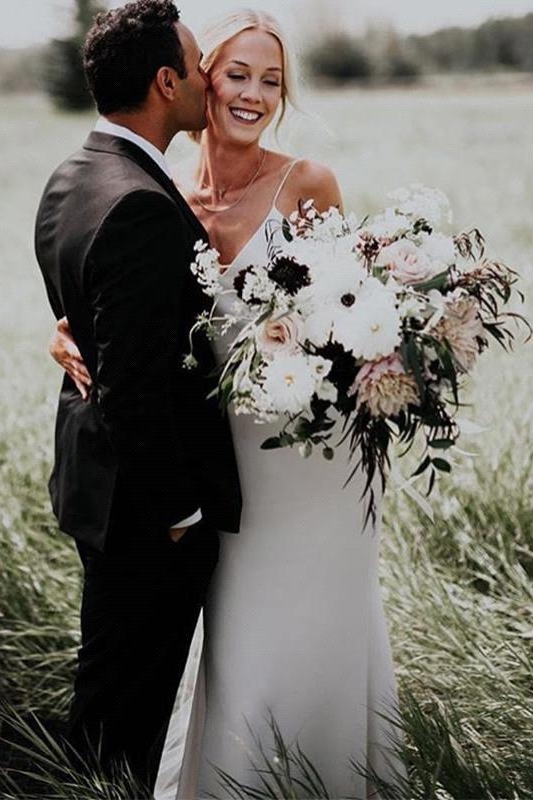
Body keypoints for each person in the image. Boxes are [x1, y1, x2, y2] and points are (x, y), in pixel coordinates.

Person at [50, 8, 405, 799]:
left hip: (301, 459)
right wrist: (64, 332)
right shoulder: (161, 191)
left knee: (306, 615)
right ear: (197, 80)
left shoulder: (306, 183)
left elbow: (355, 318)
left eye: (270, 81)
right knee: (230, 633)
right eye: (237, 74)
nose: (252, 93)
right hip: (204, 461)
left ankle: (331, 773)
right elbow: (127, 305)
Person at [34, 0, 241, 791]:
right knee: (127, 718)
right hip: (146, 519)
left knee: (106, 688)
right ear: (165, 82)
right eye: (196, 69)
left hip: (95, 489)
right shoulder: (144, 209)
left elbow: (84, 321)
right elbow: (134, 391)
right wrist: (182, 516)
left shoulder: (73, 177)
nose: (206, 84)